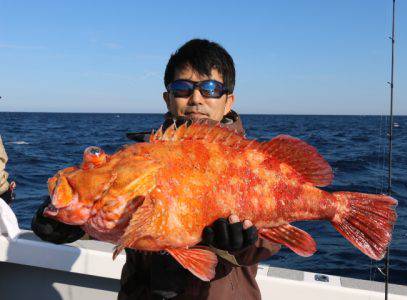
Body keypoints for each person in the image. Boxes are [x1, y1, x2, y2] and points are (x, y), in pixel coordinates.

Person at [32, 39, 280, 299]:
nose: (196, 99)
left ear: (228, 101)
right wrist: (65, 222)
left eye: (210, 88)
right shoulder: (140, 162)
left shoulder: (253, 163)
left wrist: (244, 243)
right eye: (183, 88)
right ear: (168, 98)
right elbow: (112, 222)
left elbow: (274, 238)